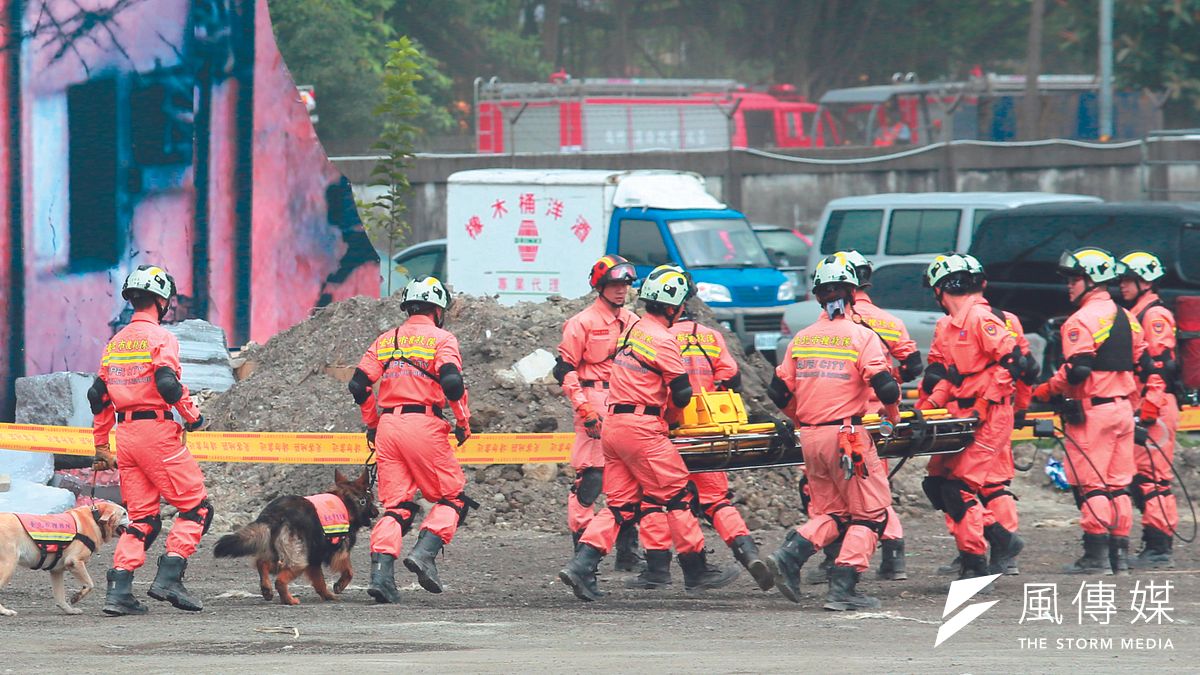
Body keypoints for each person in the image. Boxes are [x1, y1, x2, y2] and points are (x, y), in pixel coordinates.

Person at [559, 265, 740, 601]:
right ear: (673, 307)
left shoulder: (633, 329)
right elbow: (682, 393)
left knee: (620, 505)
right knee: (678, 496)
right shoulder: (663, 339)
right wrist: (671, 420)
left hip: (614, 423)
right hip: (643, 428)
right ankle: (696, 569)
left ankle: (582, 565)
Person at [764, 254, 901, 610]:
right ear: (853, 293)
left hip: (811, 438)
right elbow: (885, 387)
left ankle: (789, 556)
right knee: (871, 514)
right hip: (847, 439)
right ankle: (844, 587)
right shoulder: (862, 336)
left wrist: (802, 420)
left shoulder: (803, 338)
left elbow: (777, 392)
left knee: (836, 514)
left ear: (818, 297)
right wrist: (893, 415)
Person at [625, 267, 772, 591]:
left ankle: (658, 569)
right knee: (716, 500)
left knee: (655, 500)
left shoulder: (654, 336)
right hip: (706, 431)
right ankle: (747, 553)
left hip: (665, 430)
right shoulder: (711, 336)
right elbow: (732, 377)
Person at [90, 265, 210, 615]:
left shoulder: (115, 343)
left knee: (143, 518)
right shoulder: (161, 337)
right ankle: (170, 575)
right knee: (197, 507)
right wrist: (193, 417)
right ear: (162, 301)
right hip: (156, 434)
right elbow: (168, 385)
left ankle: (119, 590)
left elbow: (98, 395)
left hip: (125, 436)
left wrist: (101, 445)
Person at [349, 276, 475, 602]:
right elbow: (452, 383)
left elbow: (358, 385)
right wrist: (462, 422)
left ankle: (381, 576)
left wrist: (373, 423)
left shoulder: (386, 340)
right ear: (438, 309)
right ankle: (425, 552)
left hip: (389, 429)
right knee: (453, 498)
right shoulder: (443, 339)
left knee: (398, 506)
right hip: (425, 425)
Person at [1033, 248, 1146, 575]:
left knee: (1092, 485)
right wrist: (1134, 411)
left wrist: (1047, 390)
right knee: (1118, 485)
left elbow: (1078, 369)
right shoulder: (1129, 317)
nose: (1069, 286)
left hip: (1092, 412)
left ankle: (1095, 556)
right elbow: (1141, 367)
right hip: (1123, 409)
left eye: (1074, 279)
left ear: (1092, 280)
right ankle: (1119, 556)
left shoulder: (1081, 320)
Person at [916, 254, 1023, 581]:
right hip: (963, 413)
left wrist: (988, 404)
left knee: (960, 489)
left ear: (943, 288)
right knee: (937, 483)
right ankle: (1000, 539)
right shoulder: (949, 326)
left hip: (989, 414)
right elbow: (948, 375)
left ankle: (976, 562)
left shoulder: (981, 319)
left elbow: (1014, 363)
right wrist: (927, 407)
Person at [553, 255, 643, 571]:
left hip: (627, 402)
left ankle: (628, 553)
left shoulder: (633, 321)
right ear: (601, 286)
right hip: (593, 400)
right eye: (615, 284)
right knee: (591, 479)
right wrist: (583, 407)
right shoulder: (582, 323)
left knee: (633, 479)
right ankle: (582, 554)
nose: (622, 291)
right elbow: (564, 368)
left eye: (625, 285)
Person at [1117, 251, 1179, 568]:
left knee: (1153, 477)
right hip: (1143, 403)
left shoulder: (1154, 316)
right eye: (1122, 279)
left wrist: (1150, 408)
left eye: (1129, 279)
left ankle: (1159, 546)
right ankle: (1154, 542)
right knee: (1143, 475)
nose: (1123, 285)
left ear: (1146, 281)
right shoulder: (1137, 312)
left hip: (1155, 405)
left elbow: (1161, 366)